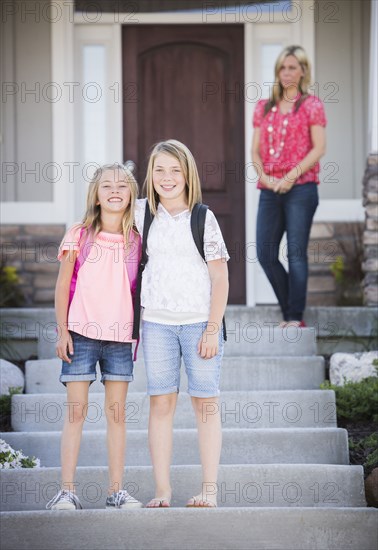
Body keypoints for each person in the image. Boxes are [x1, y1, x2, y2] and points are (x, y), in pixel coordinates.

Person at [134, 140, 229, 508]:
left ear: (187, 174)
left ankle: (209, 490)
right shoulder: (141, 214)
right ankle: (163, 490)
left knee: (205, 404)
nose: (167, 177)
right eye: (159, 170)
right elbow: (103, 213)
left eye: (175, 170)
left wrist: (211, 329)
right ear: (150, 175)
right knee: (160, 404)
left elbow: (220, 279)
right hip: (156, 324)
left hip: (198, 325)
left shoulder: (203, 217)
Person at [46, 164, 142, 510]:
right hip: (81, 334)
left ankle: (115, 491)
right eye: (106, 186)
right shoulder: (80, 234)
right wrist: (62, 331)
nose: (115, 191)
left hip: (119, 338)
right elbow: (62, 286)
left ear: (131, 194)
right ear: (96, 195)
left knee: (117, 414)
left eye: (122, 186)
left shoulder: (137, 240)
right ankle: (67, 490)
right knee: (76, 412)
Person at [252, 45, 326, 327]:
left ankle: (294, 317)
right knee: (265, 252)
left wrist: (290, 176)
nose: (287, 72)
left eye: (293, 67)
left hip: (302, 189)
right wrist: (267, 178)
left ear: (303, 70)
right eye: (283, 67)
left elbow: (319, 148)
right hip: (269, 189)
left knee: (295, 252)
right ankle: (289, 311)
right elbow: (254, 151)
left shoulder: (312, 105)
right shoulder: (264, 107)